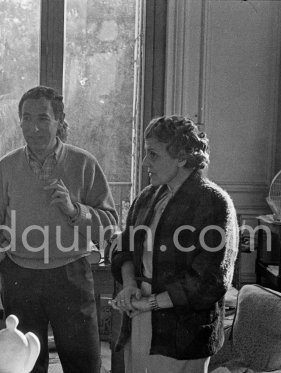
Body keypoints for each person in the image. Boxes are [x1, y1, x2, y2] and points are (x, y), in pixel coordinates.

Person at [0, 85, 118, 373]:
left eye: (42, 118)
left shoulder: (84, 164)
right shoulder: (6, 167)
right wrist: (2, 262)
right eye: (26, 118)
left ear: (59, 121)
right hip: (19, 276)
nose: (33, 127)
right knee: (24, 365)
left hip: (72, 275)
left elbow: (109, 226)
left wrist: (75, 211)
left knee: (84, 364)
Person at [110, 115, 238, 373]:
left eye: (153, 154)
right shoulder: (147, 197)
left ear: (181, 157)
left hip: (183, 332)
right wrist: (130, 285)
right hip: (139, 316)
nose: (145, 162)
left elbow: (210, 281)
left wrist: (152, 303)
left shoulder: (213, 203)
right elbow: (124, 248)